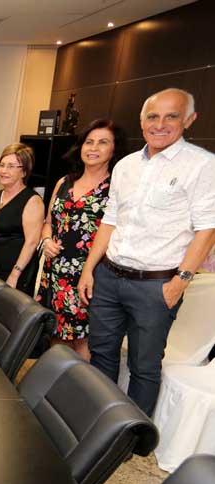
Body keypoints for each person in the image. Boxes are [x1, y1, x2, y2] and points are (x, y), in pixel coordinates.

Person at [77, 88, 215, 414]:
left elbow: (207, 229)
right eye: (153, 116)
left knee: (144, 365)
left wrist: (179, 283)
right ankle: (99, 421)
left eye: (171, 116)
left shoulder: (202, 165)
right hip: (109, 276)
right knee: (102, 354)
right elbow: (110, 221)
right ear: (142, 122)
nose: (160, 124)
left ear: (189, 120)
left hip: (157, 285)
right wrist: (89, 269)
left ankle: (132, 434)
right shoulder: (126, 165)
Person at [37, 119, 126, 361]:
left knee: (83, 339)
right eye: (89, 142)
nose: (93, 148)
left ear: (114, 149)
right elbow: (48, 223)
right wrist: (47, 241)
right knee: (56, 332)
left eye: (102, 142)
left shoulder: (116, 189)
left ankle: (76, 385)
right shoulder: (63, 182)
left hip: (90, 274)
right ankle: (55, 381)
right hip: (55, 270)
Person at [0, 143, 44, 294]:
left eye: (11, 166)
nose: (3, 171)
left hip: (15, 272)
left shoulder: (32, 200)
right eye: (1, 165)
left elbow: (32, 242)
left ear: (24, 172)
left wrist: (14, 275)